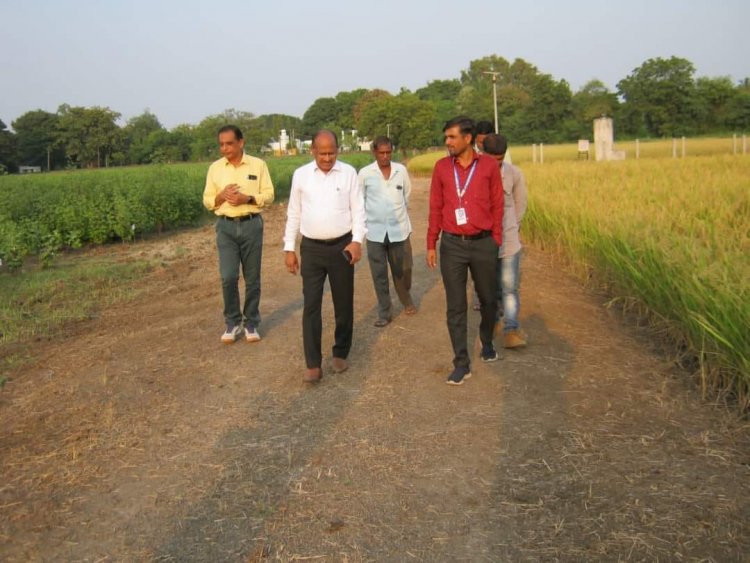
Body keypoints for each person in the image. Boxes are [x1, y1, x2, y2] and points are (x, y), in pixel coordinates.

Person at [283, 130, 367, 383]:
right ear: (313, 151)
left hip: (342, 247)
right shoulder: (301, 175)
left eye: (331, 153)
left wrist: (356, 241)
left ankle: (340, 351)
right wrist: (289, 248)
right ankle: (313, 363)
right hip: (312, 248)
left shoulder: (349, 173)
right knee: (311, 305)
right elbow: (294, 213)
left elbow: (359, 211)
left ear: (337, 151)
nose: (327, 158)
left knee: (343, 303)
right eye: (322, 153)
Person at [427, 116, 504, 385]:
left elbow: (498, 203)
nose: (447, 142)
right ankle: (461, 362)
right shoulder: (441, 168)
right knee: (456, 306)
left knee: (488, 299)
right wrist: (431, 243)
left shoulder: (489, 167)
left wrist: (495, 239)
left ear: (468, 138)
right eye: (446, 137)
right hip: (452, 245)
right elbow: (435, 206)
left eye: (451, 137)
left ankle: (486, 339)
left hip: (484, 244)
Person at [203, 124, 274, 344]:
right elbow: (207, 200)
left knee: (252, 278)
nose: (225, 148)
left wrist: (248, 199)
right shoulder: (215, 168)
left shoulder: (258, 165)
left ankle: (251, 322)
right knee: (228, 276)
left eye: (229, 143)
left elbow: (269, 194)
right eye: (221, 144)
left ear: (241, 142)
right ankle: (232, 322)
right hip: (225, 227)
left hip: (251, 224)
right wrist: (221, 197)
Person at [358, 136, 417, 327]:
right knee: (379, 273)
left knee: (404, 269)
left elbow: (406, 195)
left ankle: (405, 298)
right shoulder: (365, 174)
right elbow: (360, 200)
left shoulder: (401, 171)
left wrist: (396, 213)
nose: (385, 156)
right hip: (375, 232)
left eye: (388, 152)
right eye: (381, 152)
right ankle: (385, 312)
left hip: (399, 230)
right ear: (374, 152)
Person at [483, 133, 528, 348]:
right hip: (484, 242)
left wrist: (510, 227)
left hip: (509, 240)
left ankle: (510, 329)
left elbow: (520, 206)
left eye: (500, 159)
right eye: (492, 158)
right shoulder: (475, 175)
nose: (496, 164)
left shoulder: (514, 174)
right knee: (490, 289)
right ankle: (492, 323)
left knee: (509, 287)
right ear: (483, 153)